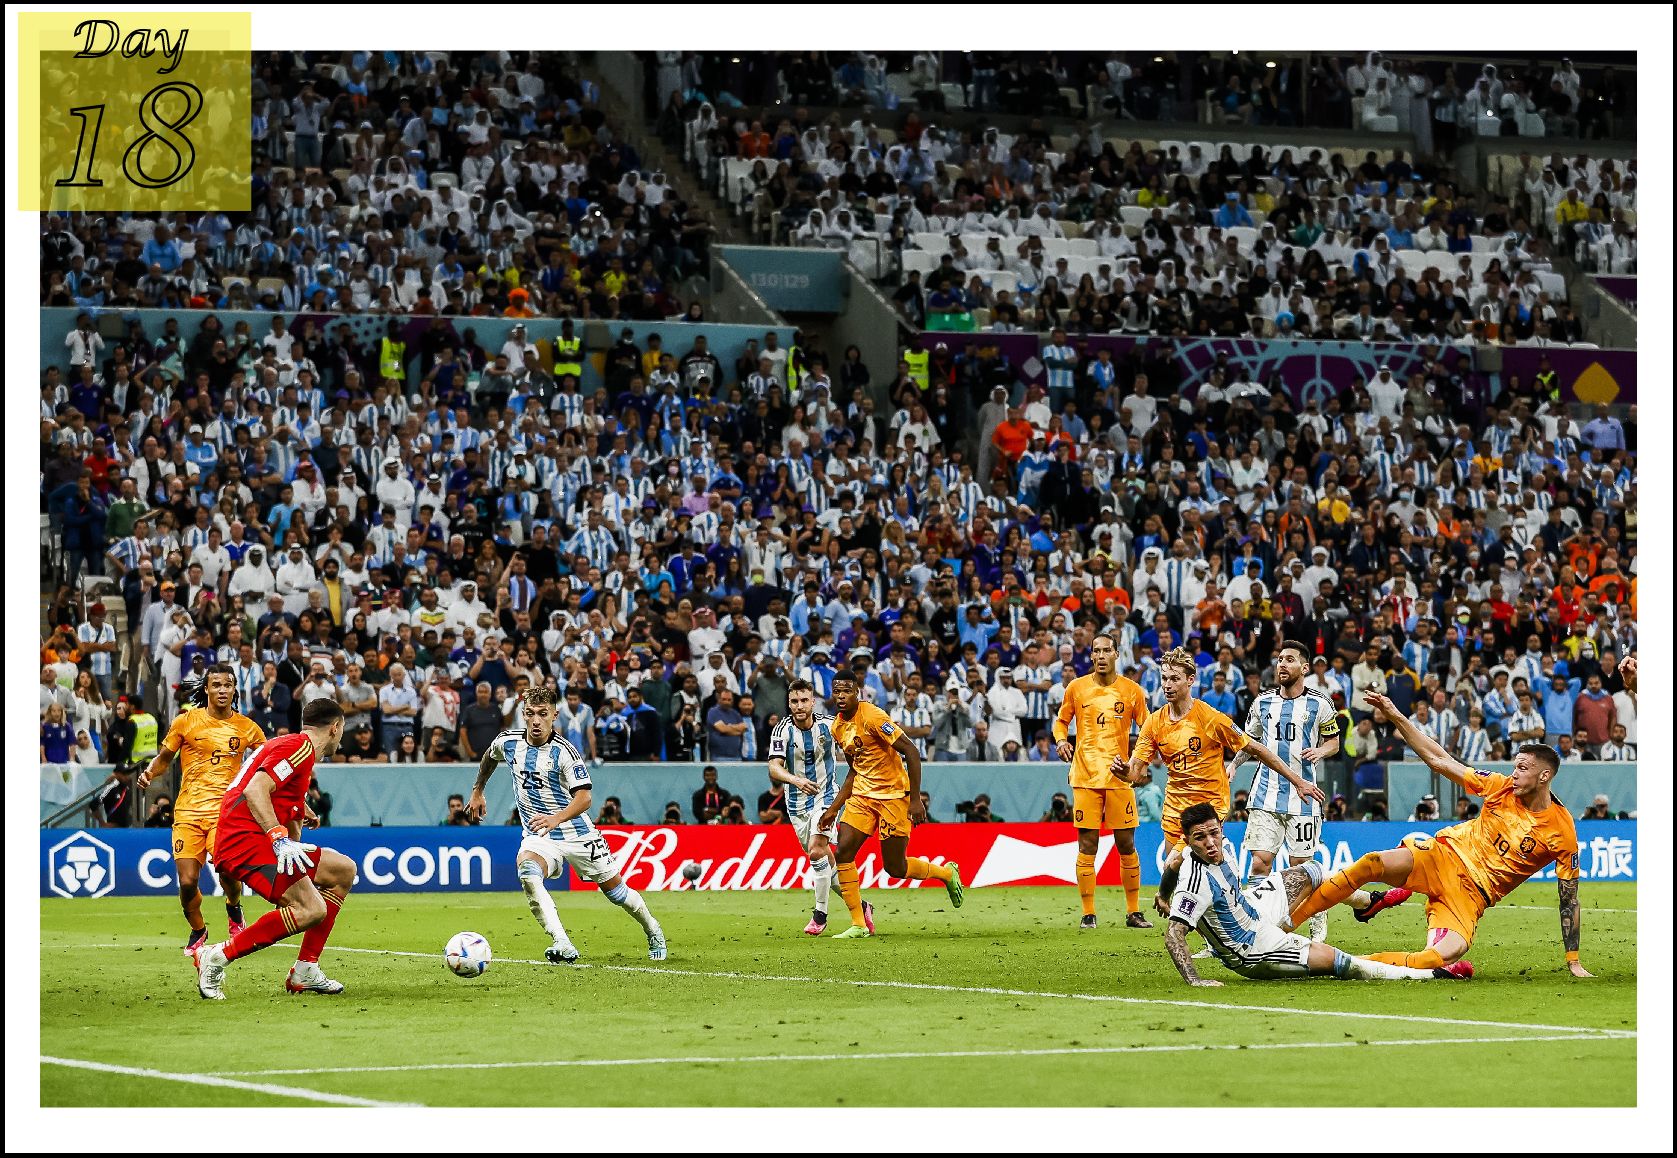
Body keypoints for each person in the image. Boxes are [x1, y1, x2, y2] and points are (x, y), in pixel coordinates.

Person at [1287, 692, 1590, 979]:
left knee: (1435, 958)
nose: (1514, 774)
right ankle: (1288, 926)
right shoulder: (1501, 787)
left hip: (1471, 897)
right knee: (1372, 862)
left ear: (1544, 776)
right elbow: (1439, 760)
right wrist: (1395, 716)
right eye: (1514, 767)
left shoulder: (1561, 833)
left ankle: (1340, 962)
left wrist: (1573, 960)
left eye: (1522, 768)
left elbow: (1569, 900)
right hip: (1442, 856)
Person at [1162, 802, 1473, 987]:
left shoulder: (1219, 850)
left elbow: (1171, 864)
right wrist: (1194, 979)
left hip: (1256, 908)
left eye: (1213, 832)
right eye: (1199, 838)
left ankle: (1367, 903)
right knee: (1342, 963)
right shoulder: (1195, 880)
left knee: (1313, 870)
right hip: (1252, 948)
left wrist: (1162, 894)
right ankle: (1432, 975)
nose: (1210, 843)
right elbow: (1173, 934)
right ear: (1188, 841)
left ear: (1221, 827)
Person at [467, 687, 666, 964]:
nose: (536, 720)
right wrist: (478, 790)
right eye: (530, 714)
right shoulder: (508, 742)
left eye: (542, 714)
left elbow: (584, 798)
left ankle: (652, 928)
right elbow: (490, 755)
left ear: (554, 715)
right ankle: (561, 941)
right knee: (528, 871)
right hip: (540, 835)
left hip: (579, 836)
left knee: (617, 894)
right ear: (524, 715)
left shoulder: (565, 752)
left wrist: (556, 818)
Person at [1127, 648, 1324, 917]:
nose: (1167, 685)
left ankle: (1174, 903)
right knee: (1182, 871)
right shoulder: (1154, 722)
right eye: (1164, 678)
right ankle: (1224, 921)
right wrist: (1120, 773)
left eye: (1174, 679)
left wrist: (1298, 780)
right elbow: (1135, 774)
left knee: (1178, 863)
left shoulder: (1211, 718)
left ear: (1190, 680)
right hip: (1174, 808)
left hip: (1208, 808)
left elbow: (1257, 749)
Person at [188, 698, 350, 1000]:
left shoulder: (294, 749)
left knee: (343, 871)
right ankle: (216, 956)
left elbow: (269, 791)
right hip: (245, 839)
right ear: (335, 727)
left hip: (253, 837)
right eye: (343, 730)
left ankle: (305, 970)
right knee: (312, 909)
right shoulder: (300, 749)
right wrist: (278, 837)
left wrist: (298, 811)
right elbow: (254, 789)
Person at [820, 670, 962, 938]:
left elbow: (911, 750)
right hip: (863, 797)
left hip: (893, 797)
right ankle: (859, 924)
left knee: (895, 867)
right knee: (843, 854)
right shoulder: (837, 727)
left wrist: (915, 798)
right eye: (837, 691)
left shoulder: (873, 716)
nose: (841, 696)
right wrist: (834, 808)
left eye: (847, 691)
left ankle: (945, 873)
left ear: (857, 692)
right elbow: (854, 770)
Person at [137, 664, 267, 952]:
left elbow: (270, 764)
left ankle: (234, 906)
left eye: (228, 685)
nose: (222, 690)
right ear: (207, 689)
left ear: (235, 690)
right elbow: (164, 757)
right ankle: (198, 929)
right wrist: (150, 772)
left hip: (226, 813)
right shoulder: (186, 721)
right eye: (216, 685)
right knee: (187, 881)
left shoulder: (248, 728)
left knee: (229, 874)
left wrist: (300, 802)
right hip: (188, 812)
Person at [1237, 641, 1341, 942]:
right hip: (1265, 795)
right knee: (1259, 862)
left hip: (1304, 798)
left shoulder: (1320, 704)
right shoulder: (1262, 703)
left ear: (1304, 668)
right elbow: (1249, 742)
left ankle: (1317, 925)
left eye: (1290, 660)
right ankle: (1251, 925)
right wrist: (1233, 765)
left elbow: (1333, 742)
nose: (1282, 664)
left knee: (1303, 868)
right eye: (1279, 659)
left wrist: (1320, 751)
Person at [1052, 631, 1152, 930]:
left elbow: (1147, 729)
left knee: (1125, 844)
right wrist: (1060, 741)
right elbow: (1061, 721)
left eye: (1106, 650)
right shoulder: (1076, 688)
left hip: (1119, 778)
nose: (1100, 656)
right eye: (1095, 651)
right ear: (1091, 655)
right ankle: (1088, 913)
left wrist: (1138, 764)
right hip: (1084, 776)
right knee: (1088, 844)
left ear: (1116, 654)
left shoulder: (1132, 691)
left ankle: (1133, 911)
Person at [766, 679, 848, 936]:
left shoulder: (830, 724)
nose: (799, 706)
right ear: (789, 703)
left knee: (815, 851)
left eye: (804, 700)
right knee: (824, 859)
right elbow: (774, 766)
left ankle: (820, 914)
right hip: (796, 804)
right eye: (794, 701)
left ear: (813, 701)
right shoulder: (782, 730)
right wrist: (796, 780)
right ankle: (861, 906)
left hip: (827, 797)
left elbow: (856, 742)